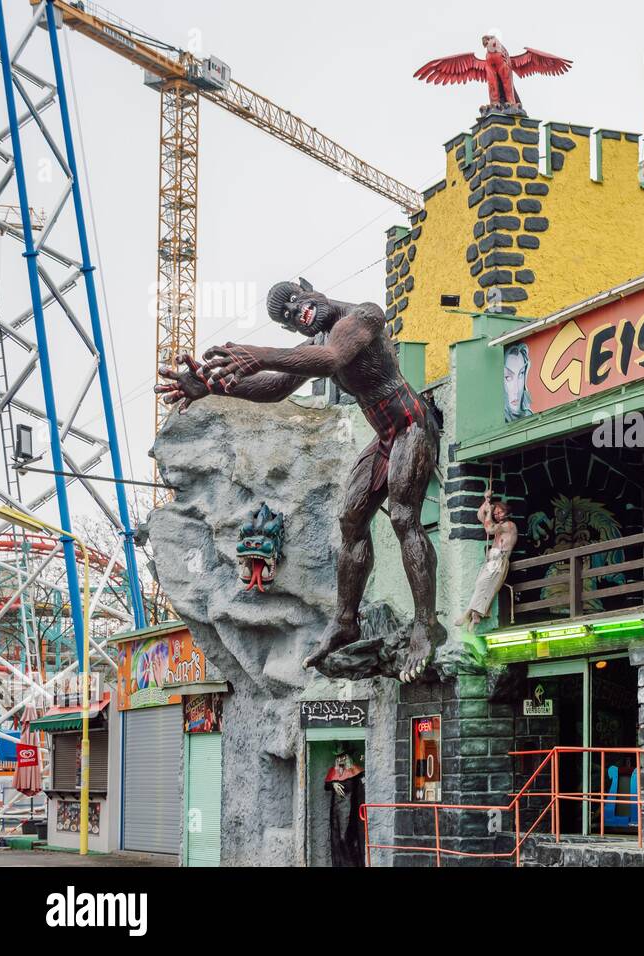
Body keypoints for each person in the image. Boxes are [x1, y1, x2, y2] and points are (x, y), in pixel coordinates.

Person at [154, 278, 442, 683]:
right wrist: (211, 387)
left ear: (311, 289)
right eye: (287, 317)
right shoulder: (313, 343)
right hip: (385, 437)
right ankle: (346, 622)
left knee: (401, 517)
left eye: (294, 301)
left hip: (412, 425)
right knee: (351, 520)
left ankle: (425, 626)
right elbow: (273, 388)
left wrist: (260, 354)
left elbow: (330, 358)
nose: (295, 312)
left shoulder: (363, 315)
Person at [457, 489, 518, 631]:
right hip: (492, 560)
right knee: (480, 584)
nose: (497, 514)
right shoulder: (500, 525)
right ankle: (475, 617)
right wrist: (486, 501)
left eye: (499, 512)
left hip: (499, 559)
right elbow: (480, 516)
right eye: (495, 512)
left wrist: (489, 512)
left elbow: (489, 529)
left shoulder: (509, 525)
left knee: (484, 585)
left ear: (506, 512)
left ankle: (468, 614)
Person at [325, 746, 365, 867]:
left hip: (349, 810)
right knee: (336, 839)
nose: (340, 759)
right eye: (338, 757)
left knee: (346, 838)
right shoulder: (334, 771)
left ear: (348, 757)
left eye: (343, 756)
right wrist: (334, 784)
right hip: (336, 811)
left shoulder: (356, 772)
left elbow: (361, 784)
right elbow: (326, 785)